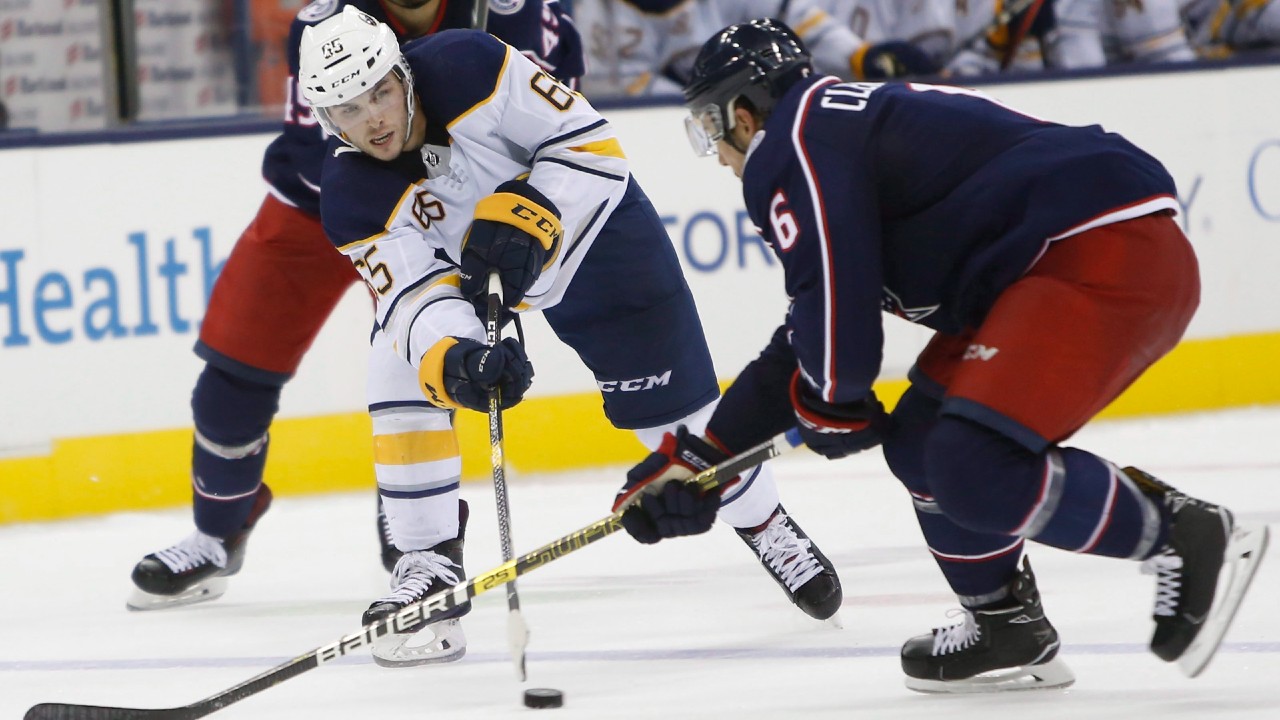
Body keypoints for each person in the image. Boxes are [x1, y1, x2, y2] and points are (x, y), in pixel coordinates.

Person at [617, 17, 1270, 693]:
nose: (716, 154)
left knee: (970, 465)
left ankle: (1180, 531)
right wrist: (701, 457)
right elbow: (810, 332)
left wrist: (832, 398)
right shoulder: (829, 137)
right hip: (1055, 265)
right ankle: (1004, 622)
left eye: (707, 128)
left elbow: (831, 307)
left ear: (743, 114)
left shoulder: (794, 144)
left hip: (1095, 252)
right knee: (925, 443)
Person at [290, 6, 843, 665]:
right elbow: (413, 298)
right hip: (475, 274)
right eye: (349, 110)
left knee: (681, 420)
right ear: (327, 121)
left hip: (593, 233)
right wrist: (461, 354)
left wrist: (536, 213)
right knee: (405, 363)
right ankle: (428, 566)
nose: (374, 119)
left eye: (380, 91)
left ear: (402, 70)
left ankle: (767, 524)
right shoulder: (352, 193)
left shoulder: (471, 66)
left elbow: (589, 145)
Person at [127, 0, 583, 612]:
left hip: (446, 210)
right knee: (233, 371)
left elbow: (556, 108)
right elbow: (327, 151)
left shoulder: (515, 12)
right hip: (317, 203)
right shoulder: (325, 26)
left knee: (430, 361)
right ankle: (217, 532)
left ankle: (418, 559)